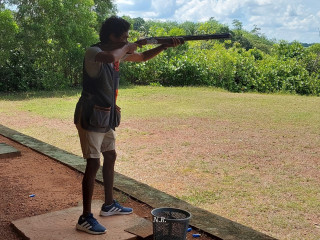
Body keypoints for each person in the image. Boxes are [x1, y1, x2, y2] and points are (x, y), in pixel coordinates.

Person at [74, 16, 183, 235]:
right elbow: (111, 56)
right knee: (93, 163)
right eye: (122, 37)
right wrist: (127, 47)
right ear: (110, 37)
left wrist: (164, 46)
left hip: (105, 116)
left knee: (111, 155)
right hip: (90, 115)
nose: (126, 40)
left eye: (127, 37)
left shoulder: (117, 53)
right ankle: (85, 217)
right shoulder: (94, 52)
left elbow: (141, 57)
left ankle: (109, 204)